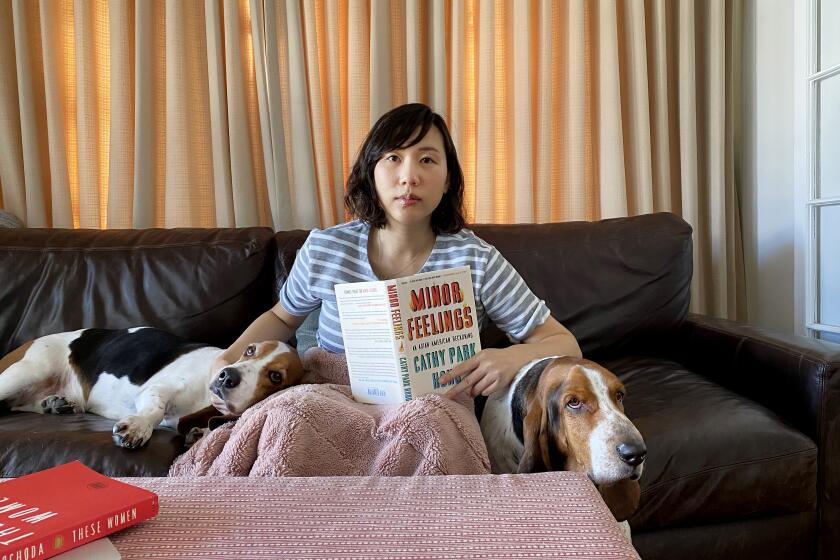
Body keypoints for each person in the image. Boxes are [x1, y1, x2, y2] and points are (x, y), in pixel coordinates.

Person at [212, 103, 581, 401]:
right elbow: (281, 319)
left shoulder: (476, 261)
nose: (409, 177)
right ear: (371, 171)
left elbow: (565, 343)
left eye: (427, 160)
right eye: (393, 158)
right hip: (334, 398)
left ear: (448, 177)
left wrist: (511, 357)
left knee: (431, 429)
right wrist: (225, 359)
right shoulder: (326, 249)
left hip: (432, 407)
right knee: (292, 418)